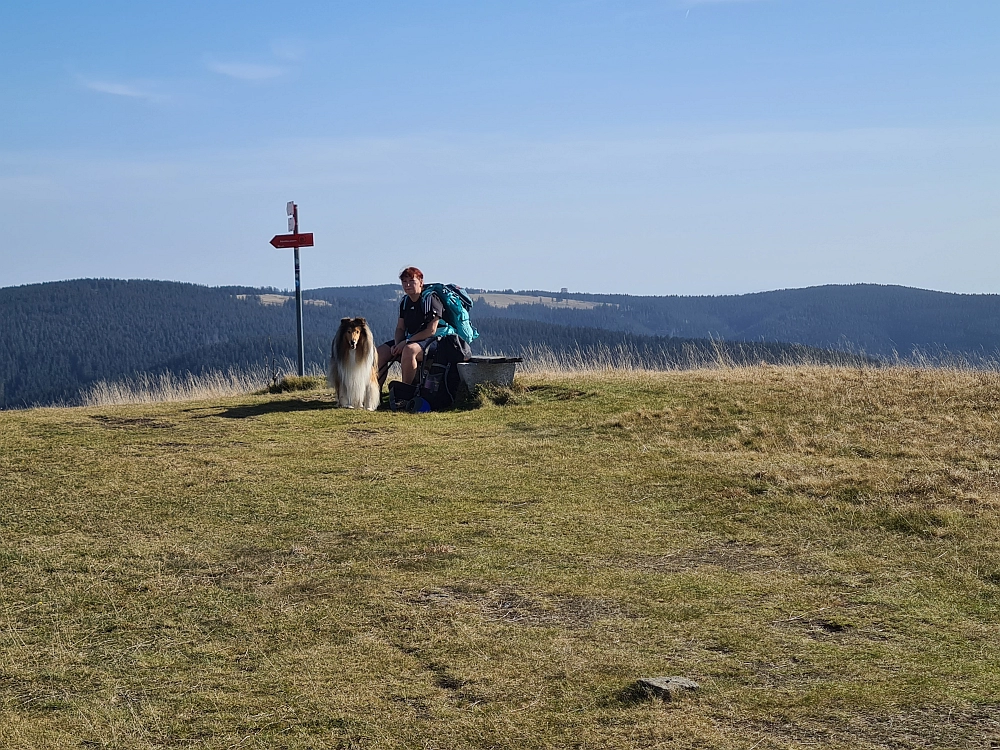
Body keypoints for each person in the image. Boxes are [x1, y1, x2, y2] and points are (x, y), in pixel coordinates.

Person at [377, 266, 444, 388]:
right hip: (412, 340)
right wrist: (398, 344)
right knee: (379, 353)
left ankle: (405, 392)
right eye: (404, 281)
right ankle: (375, 395)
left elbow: (431, 330)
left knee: (409, 351)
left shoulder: (431, 299)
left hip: (436, 340)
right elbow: (400, 328)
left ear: (421, 282)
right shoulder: (405, 302)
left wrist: (406, 342)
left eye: (412, 281)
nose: (407, 285)